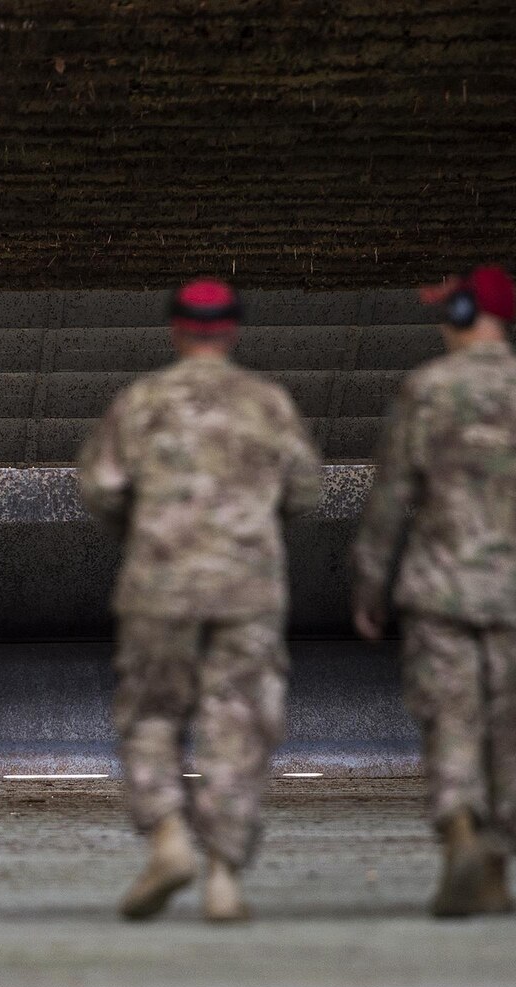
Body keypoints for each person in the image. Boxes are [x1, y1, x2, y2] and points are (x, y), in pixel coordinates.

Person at [77, 277, 324, 923]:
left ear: (176, 330)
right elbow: (303, 491)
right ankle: (223, 879)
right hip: (247, 586)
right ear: (233, 330)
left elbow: (100, 488)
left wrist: (147, 530)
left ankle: (168, 839)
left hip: (160, 584)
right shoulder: (268, 403)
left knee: (152, 713)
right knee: (237, 721)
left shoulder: (141, 401)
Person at [351, 265, 516, 919]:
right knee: (504, 724)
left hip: (439, 586)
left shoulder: (427, 390)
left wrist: (371, 577)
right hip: (514, 588)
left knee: (451, 716)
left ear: (461, 316)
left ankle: (458, 828)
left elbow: (393, 493)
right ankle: (498, 872)